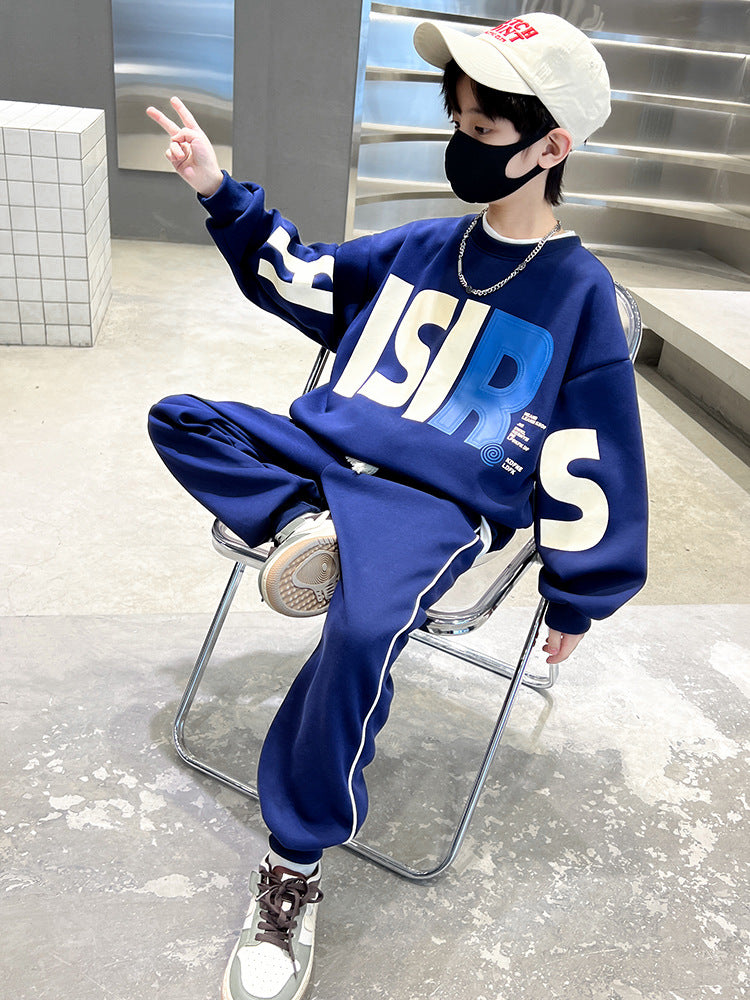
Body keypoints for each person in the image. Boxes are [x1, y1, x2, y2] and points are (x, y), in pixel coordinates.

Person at [146, 12, 648, 1000]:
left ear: (554, 148)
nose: (462, 140)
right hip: (325, 454)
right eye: (456, 116)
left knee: (365, 624)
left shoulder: (579, 297)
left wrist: (577, 598)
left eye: (487, 128)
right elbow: (301, 276)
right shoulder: (423, 244)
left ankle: (292, 864)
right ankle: (304, 531)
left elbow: (593, 464)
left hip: (432, 501)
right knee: (183, 418)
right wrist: (218, 191)